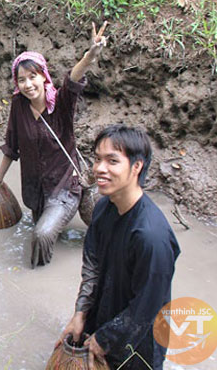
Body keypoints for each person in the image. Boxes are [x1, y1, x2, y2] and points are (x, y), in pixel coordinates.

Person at [0, 23, 109, 268]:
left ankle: (37, 274)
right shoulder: (19, 105)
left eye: (33, 77)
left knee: (41, 235)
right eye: (21, 80)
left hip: (64, 187)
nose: (28, 84)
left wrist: (90, 56)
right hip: (35, 189)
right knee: (43, 227)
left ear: (44, 76)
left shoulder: (61, 103)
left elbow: (73, 80)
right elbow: (12, 144)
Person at [57, 125, 180, 369]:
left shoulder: (151, 236)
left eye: (112, 161)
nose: (99, 169)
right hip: (104, 315)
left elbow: (148, 306)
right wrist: (80, 313)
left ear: (137, 167)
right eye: (97, 159)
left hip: (139, 340)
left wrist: (105, 339)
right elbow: (92, 264)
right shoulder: (103, 208)